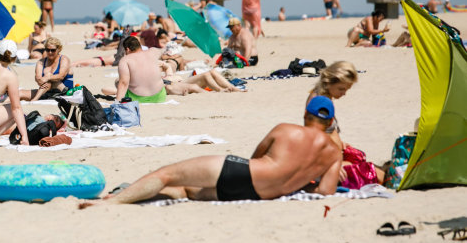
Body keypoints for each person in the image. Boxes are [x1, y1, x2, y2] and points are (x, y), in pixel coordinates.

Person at [78, 97, 342, 207]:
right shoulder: (334, 153)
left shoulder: (286, 129)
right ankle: (132, 195)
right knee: (186, 191)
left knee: (168, 173)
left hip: (246, 174)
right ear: (330, 122)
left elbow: (256, 157)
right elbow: (326, 191)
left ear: (305, 114)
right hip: (263, 195)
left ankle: (111, 203)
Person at [304, 61, 383, 188]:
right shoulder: (317, 103)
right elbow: (313, 138)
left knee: (360, 158)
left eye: (346, 89)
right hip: (326, 161)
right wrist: (331, 164)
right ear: (329, 82)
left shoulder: (323, 97)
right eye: (341, 89)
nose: (344, 93)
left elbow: (326, 131)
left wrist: (339, 142)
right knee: (375, 174)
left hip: (333, 156)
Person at [108, 35, 165, 103]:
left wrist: (117, 102)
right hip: (159, 96)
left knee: (118, 81)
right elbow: (162, 52)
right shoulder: (153, 51)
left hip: (138, 98)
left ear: (128, 49)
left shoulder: (125, 60)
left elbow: (124, 83)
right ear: (139, 45)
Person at [20, 36, 72, 101]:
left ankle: (35, 100)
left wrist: (47, 77)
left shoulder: (64, 59)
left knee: (50, 80)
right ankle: (4, 103)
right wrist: (41, 80)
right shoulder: (41, 62)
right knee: (20, 93)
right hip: (46, 91)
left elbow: (61, 76)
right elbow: (38, 78)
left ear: (59, 49)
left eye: (53, 50)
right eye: (47, 50)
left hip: (64, 92)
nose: (50, 52)